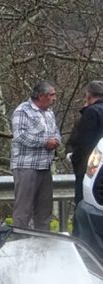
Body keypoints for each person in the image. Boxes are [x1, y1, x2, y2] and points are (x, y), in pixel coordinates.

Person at [10, 80, 61, 231]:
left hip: (45, 166)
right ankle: (20, 238)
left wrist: (57, 140)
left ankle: (42, 242)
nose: (54, 98)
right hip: (26, 167)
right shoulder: (22, 111)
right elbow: (19, 136)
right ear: (41, 96)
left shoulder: (49, 113)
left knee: (44, 209)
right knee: (24, 209)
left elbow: (56, 132)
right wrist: (45, 142)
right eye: (51, 95)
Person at [66, 81, 103, 209]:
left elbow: (84, 142)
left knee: (83, 204)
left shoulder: (92, 113)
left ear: (88, 96)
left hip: (90, 168)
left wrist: (74, 157)